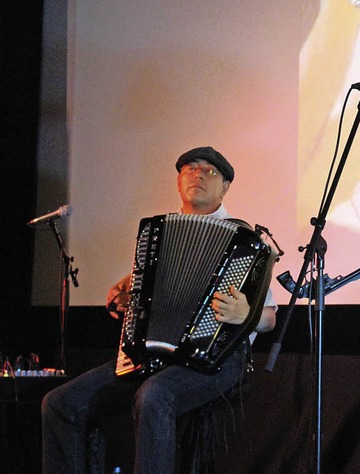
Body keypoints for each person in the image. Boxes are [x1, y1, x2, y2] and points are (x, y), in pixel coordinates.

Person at [41, 146, 278, 474]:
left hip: (218, 360)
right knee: (60, 404)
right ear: (179, 182)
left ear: (225, 187)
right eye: (189, 169)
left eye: (209, 171)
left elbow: (269, 318)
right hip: (154, 357)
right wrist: (124, 298)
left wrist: (247, 314)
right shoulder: (159, 235)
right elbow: (142, 302)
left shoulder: (245, 240)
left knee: (154, 396)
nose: (197, 174)